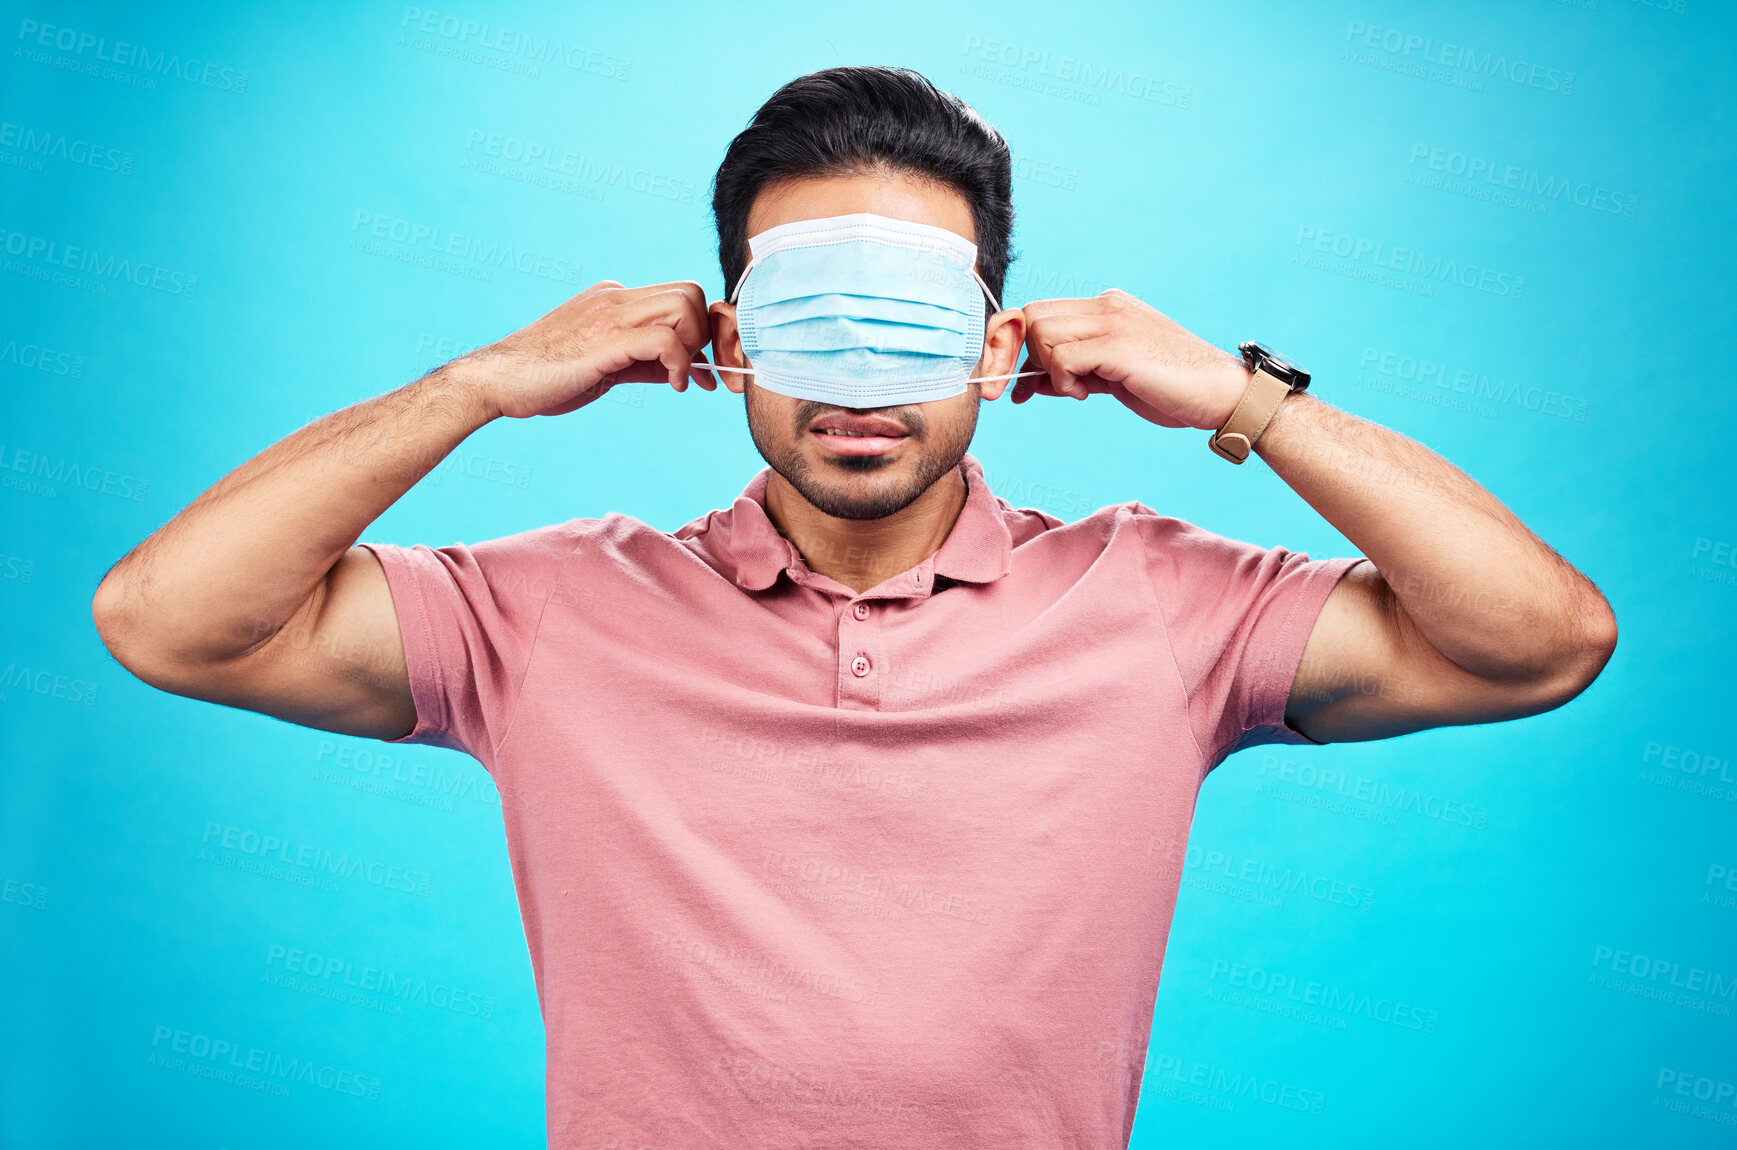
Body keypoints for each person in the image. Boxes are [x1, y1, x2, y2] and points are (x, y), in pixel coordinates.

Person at [91, 66, 1616, 1148]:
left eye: (911, 321)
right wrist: (474, 387)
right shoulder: (546, 611)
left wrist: (1244, 399)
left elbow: (1542, 642)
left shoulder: (1156, 599)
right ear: (731, 339)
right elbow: (170, 620)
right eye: (810, 318)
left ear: (995, 342)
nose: (859, 382)